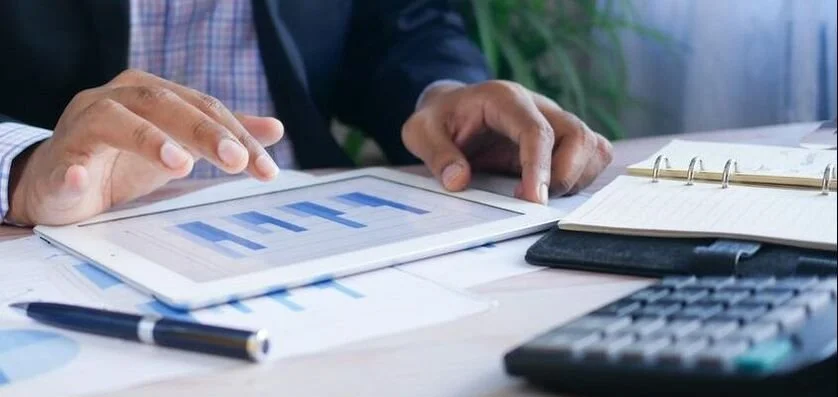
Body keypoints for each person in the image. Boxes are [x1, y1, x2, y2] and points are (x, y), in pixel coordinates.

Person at [0, 0, 612, 227]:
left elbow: (404, 23)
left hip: (303, 222)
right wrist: (23, 170)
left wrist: (445, 94)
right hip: (51, 241)